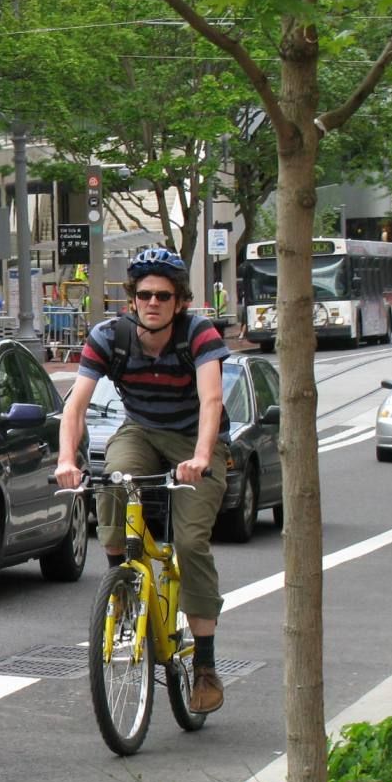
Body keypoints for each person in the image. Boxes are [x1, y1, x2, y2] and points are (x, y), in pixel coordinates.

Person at [56, 246, 231, 715]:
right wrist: (66, 459)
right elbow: (75, 404)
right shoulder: (108, 337)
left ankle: (206, 667)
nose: (152, 303)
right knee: (114, 476)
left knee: (191, 543)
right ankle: (124, 577)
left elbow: (212, 401)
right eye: (144, 294)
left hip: (196, 438)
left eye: (163, 295)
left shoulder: (199, 334)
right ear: (132, 299)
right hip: (141, 431)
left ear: (180, 302)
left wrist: (200, 457)